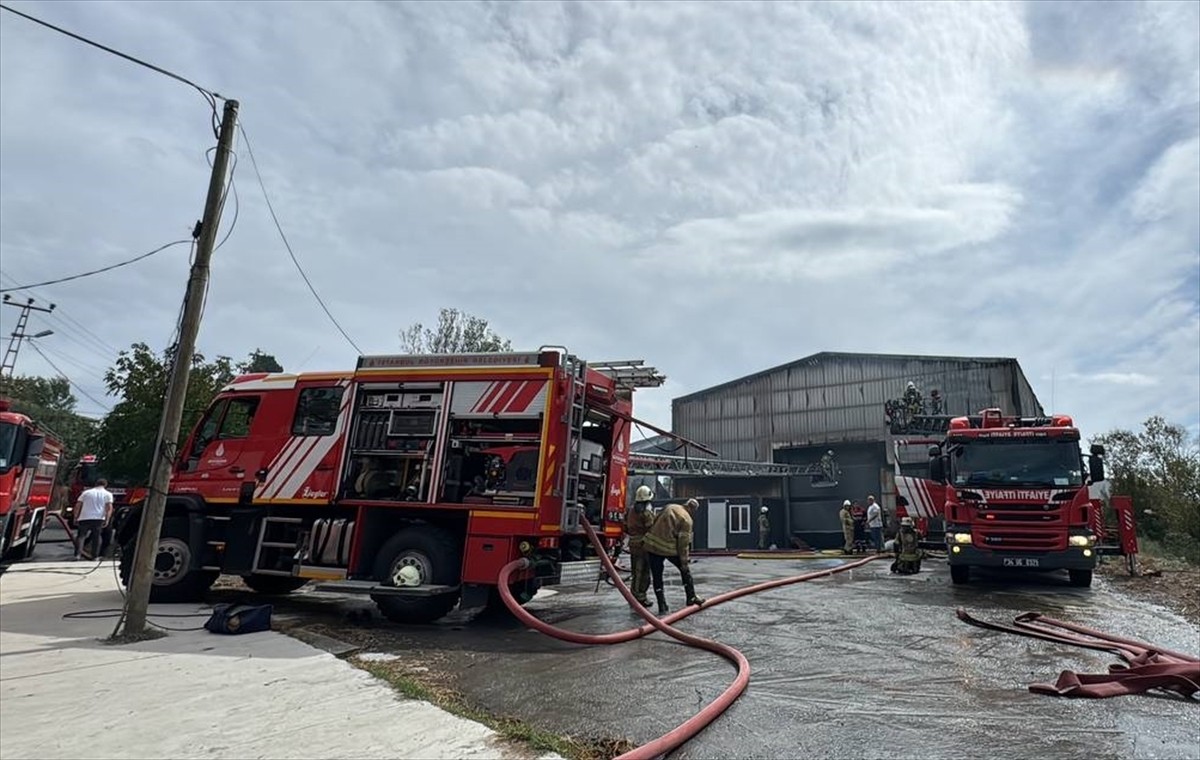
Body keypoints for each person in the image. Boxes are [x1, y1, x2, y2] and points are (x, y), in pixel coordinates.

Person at [642, 497, 704, 614]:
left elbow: (654, 521)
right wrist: (684, 561)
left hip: (651, 546)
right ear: (693, 509)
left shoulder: (670, 506)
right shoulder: (687, 519)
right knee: (684, 571)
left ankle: (662, 605)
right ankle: (691, 597)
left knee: (657, 576)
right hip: (668, 548)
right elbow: (683, 544)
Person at [625, 485, 656, 608]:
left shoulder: (631, 510)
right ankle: (641, 597)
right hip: (644, 546)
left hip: (633, 545)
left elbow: (625, 526)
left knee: (636, 572)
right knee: (644, 573)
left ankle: (634, 597)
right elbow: (651, 527)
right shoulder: (646, 512)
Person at [74, 478, 113, 561]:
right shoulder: (108, 494)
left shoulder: (86, 493)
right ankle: (95, 556)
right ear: (105, 485)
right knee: (97, 537)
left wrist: (76, 517)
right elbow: (109, 508)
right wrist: (107, 519)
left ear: (96, 484)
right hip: (98, 518)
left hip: (84, 517)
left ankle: (77, 555)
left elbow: (78, 505)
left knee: (81, 536)